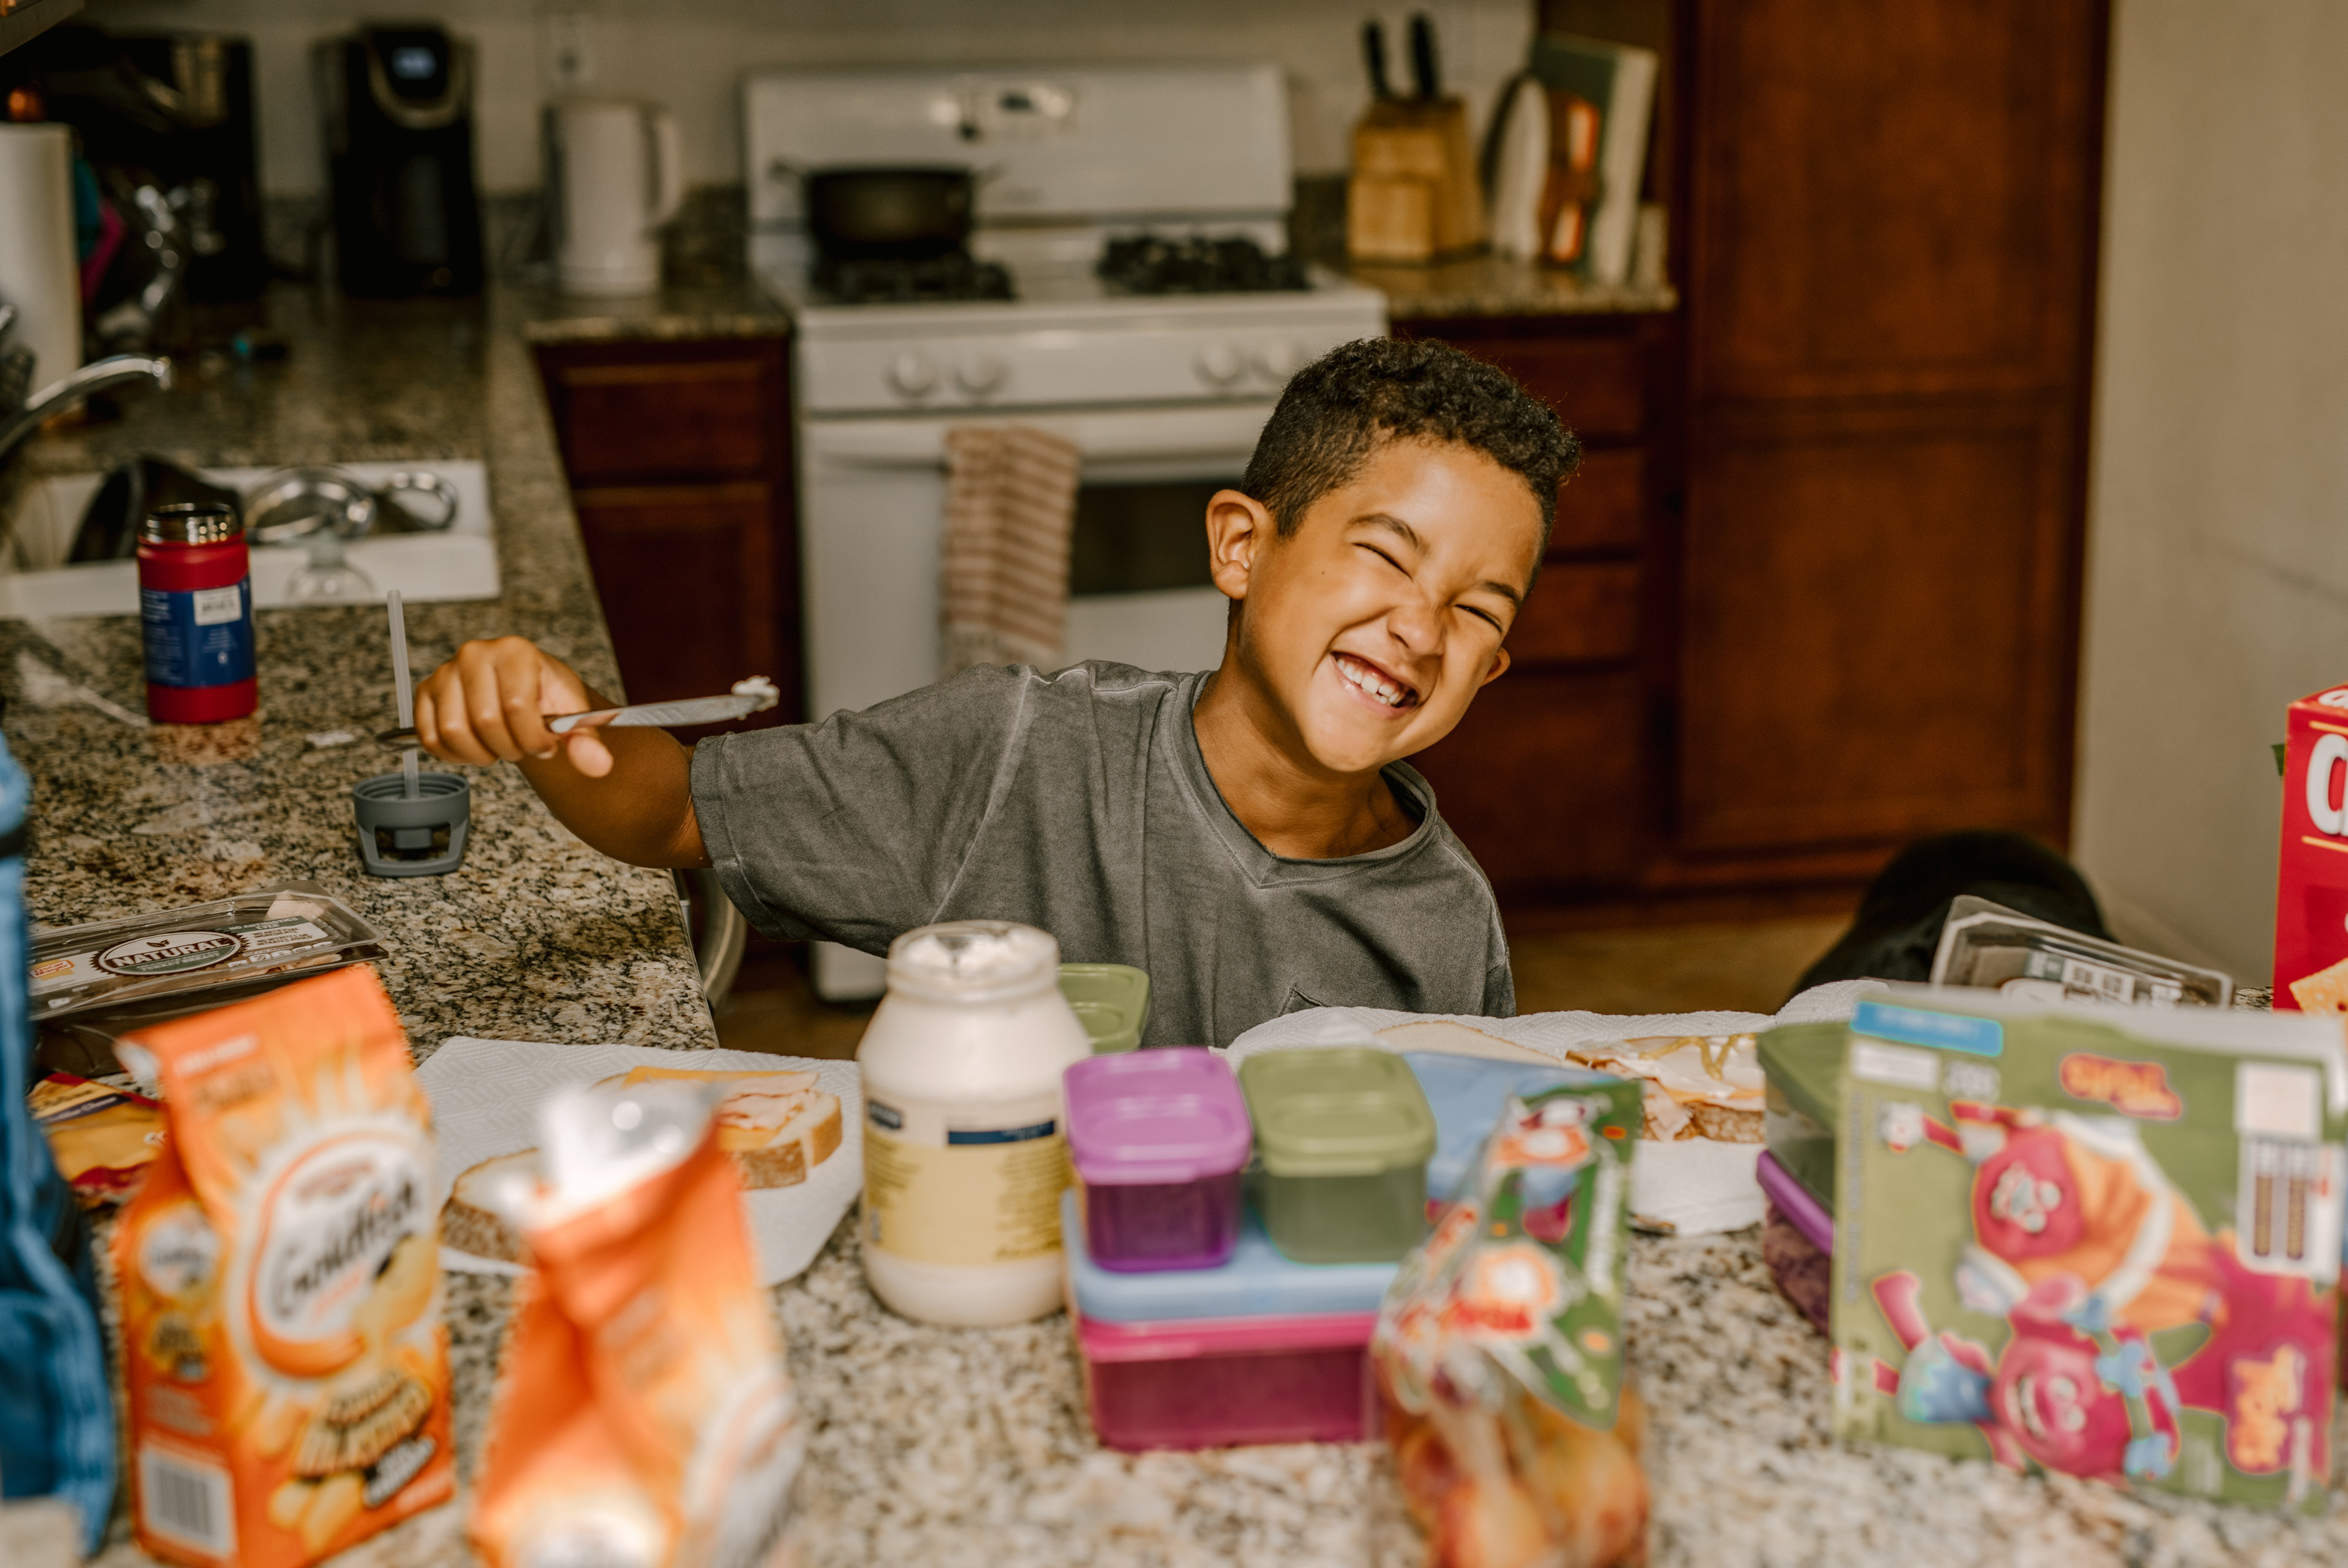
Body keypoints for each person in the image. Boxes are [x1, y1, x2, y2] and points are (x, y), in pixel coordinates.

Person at [413, 337, 1580, 1046]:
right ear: (1239, 545)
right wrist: (545, 719)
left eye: (1479, 610)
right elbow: (672, 812)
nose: (1421, 629)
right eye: (1385, 553)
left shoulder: (1446, 917)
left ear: (1492, 666)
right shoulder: (1019, 753)